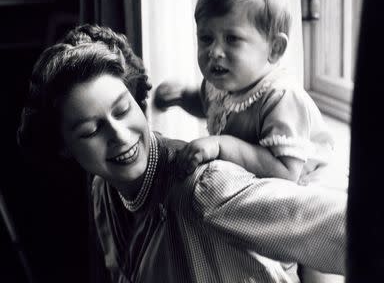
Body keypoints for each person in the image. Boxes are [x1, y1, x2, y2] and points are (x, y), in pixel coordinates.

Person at [17, 24, 346, 282]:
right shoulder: (104, 192)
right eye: (91, 131)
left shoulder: (204, 187)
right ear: (64, 147)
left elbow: (345, 226)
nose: (119, 136)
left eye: (123, 109)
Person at [154, 0, 334, 185]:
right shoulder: (222, 82)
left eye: (232, 39)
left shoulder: (281, 97)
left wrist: (221, 146)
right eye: (206, 38)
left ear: (274, 49)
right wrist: (182, 97)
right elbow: (208, 106)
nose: (214, 51)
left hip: (299, 189)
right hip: (251, 179)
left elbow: (286, 172)